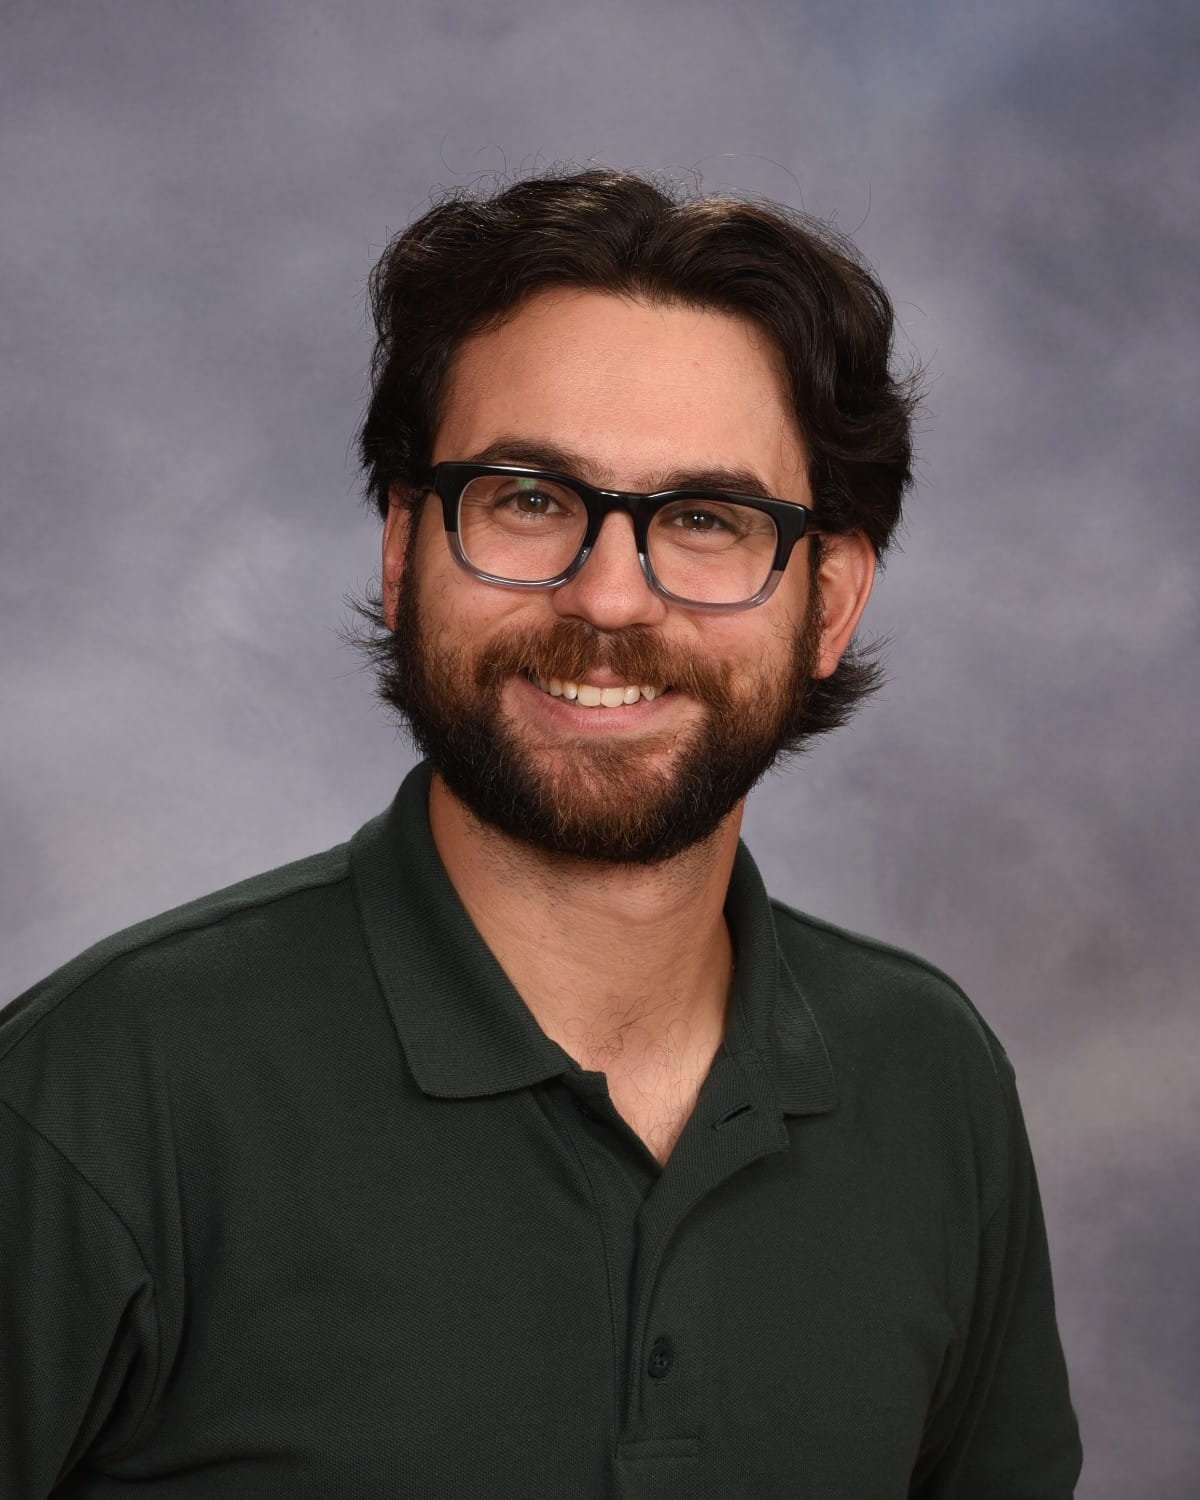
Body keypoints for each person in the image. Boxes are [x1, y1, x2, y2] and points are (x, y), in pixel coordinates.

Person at [0, 167, 1081, 1498]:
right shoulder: (97, 1095)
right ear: (404, 551)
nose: (611, 597)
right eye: (528, 500)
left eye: (704, 520)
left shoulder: (932, 1084)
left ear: (832, 603)